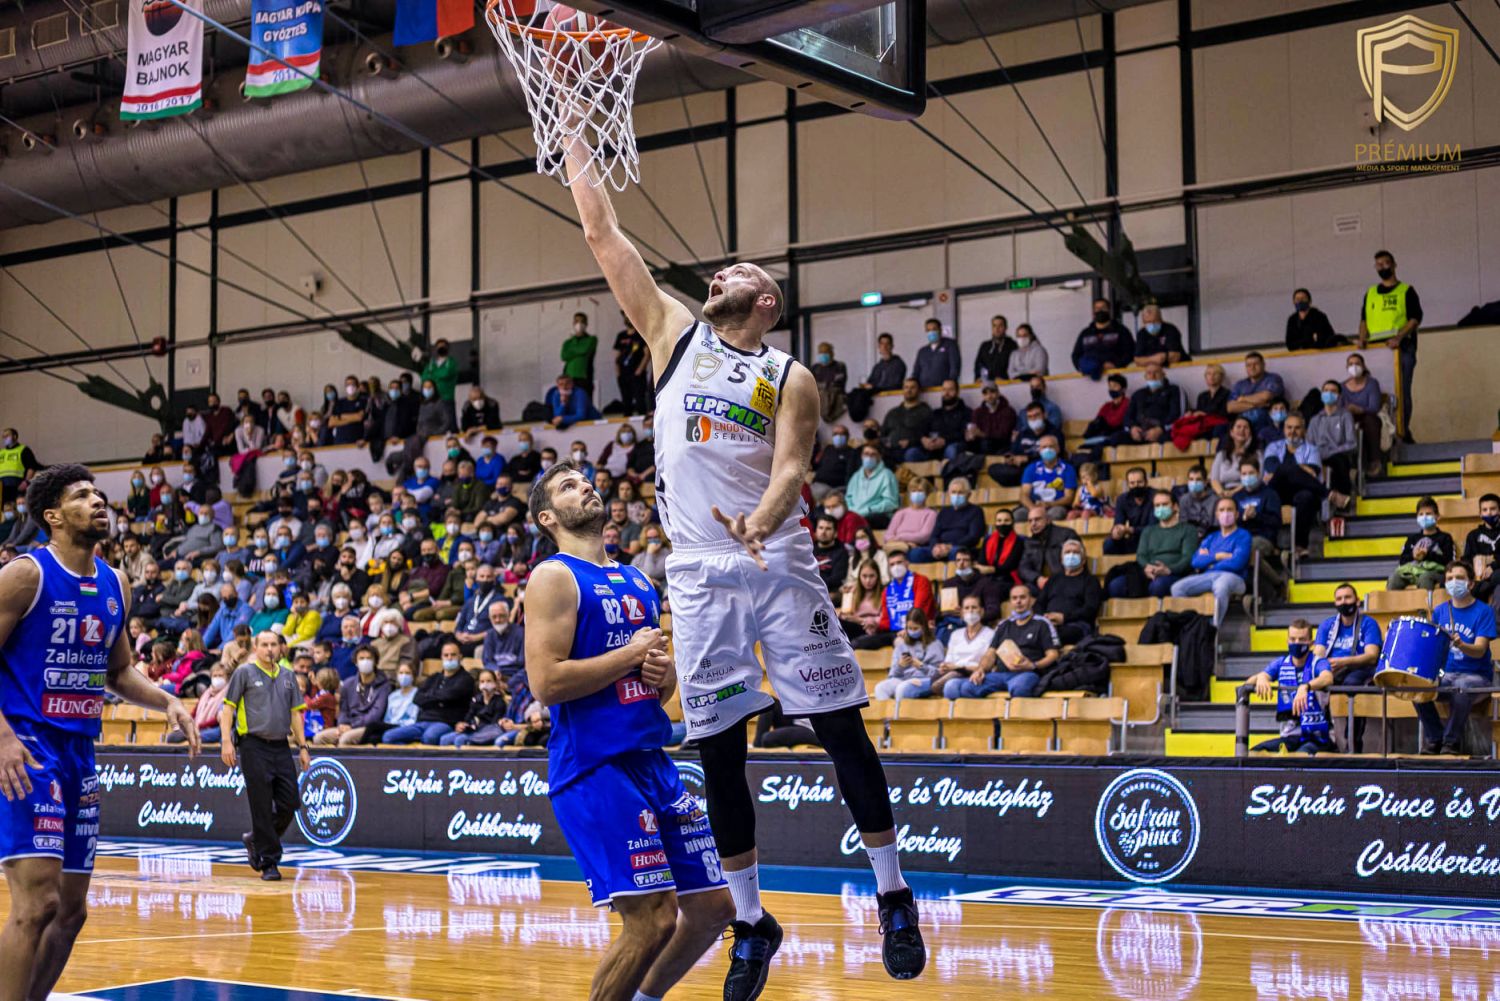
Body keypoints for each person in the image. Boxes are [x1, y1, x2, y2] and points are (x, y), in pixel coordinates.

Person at [567, 139, 925, 993]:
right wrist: (573, 128)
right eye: (720, 269)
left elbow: (791, 468)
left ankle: (893, 893)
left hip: (779, 561)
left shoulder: (788, 375)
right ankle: (753, 920)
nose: (720, 271)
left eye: (740, 270)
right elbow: (603, 234)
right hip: (698, 572)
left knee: (840, 730)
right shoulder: (673, 335)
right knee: (720, 752)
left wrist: (762, 520)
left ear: (766, 300)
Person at [521, 460, 736, 1001]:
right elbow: (546, 683)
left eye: (585, 480)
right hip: (595, 765)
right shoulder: (553, 576)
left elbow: (651, 684)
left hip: (652, 759)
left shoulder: (638, 578)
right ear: (548, 517)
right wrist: (631, 655)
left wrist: (663, 675)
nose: (585, 486)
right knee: (652, 918)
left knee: (714, 908)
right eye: (568, 486)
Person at [0, 465, 199, 1000]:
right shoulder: (25, 576)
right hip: (27, 746)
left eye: (97, 493)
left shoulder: (116, 583)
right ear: (52, 516)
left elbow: (118, 672)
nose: (98, 501)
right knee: (36, 905)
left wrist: (167, 700)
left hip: (79, 751)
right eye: (82, 495)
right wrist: (2, 738)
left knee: (71, 912)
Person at [219, 631, 308, 881]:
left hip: (281, 746)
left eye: (274, 644)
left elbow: (295, 714)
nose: (270, 649)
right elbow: (228, 709)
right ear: (255, 648)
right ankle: (269, 862)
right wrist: (226, 741)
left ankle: (256, 838)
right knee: (261, 805)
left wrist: (303, 747)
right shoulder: (244, 673)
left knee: (291, 802)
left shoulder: (288, 676)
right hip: (253, 745)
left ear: (280, 648)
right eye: (265, 644)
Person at [1417, 562, 1497, 754]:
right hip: (1446, 675)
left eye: (1460, 578)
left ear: (1471, 584)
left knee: (1461, 687)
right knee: (1417, 686)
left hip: (1477, 677)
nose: (1454, 582)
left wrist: (1461, 645)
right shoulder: (1440, 611)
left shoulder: (1484, 611)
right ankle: (1435, 738)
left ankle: (1451, 742)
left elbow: (1480, 650)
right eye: (1450, 579)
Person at [944, 583, 1058, 699]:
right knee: (968, 687)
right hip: (1000, 675)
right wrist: (980, 669)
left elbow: (1053, 654)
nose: (1018, 601)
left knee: (1019, 687)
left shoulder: (1042, 623)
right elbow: (990, 654)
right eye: (1014, 598)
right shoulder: (1003, 625)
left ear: (1032, 600)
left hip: (1027, 673)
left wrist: (1033, 665)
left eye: (1022, 597)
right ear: (1011, 602)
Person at [1357, 249, 1421, 443]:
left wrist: (1399, 337)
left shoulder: (1406, 290)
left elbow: (1415, 318)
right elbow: (1364, 320)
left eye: (1385, 263)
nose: (1382, 267)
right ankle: (1384, 433)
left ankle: (1403, 431)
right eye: (1378, 264)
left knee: (1401, 391)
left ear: (1394, 265)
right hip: (1376, 351)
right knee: (1377, 391)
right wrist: (1362, 338)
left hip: (1401, 348)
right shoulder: (1370, 293)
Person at [1263, 412, 1347, 555]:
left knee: (1306, 497)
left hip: (1301, 490)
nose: (1292, 432)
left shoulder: (1312, 449)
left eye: (1297, 428)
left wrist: (1292, 470)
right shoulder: (1273, 447)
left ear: (1304, 430)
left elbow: (1312, 472)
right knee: (1284, 470)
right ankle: (1328, 494)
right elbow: (1272, 467)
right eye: (1289, 427)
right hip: (1277, 491)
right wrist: (1299, 468)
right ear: (1284, 429)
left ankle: (1300, 546)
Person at [1246, 620, 1335, 754]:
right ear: (1287, 641)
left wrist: (1305, 687)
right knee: (1254, 753)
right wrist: (1262, 677)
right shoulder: (1282, 662)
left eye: (1302, 639)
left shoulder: (1318, 662)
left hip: (1318, 737)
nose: (1296, 643)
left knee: (1297, 758)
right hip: (1290, 736)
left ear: (1311, 643)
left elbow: (1327, 677)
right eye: (1293, 639)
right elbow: (1248, 682)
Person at [1312, 583, 1382, 752]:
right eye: (1339, 599)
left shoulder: (1368, 623)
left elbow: (1372, 656)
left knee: (1351, 684)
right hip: (1333, 669)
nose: (1343, 602)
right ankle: (1321, 738)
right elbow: (1318, 654)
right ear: (1335, 603)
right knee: (1312, 682)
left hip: (1360, 668)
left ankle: (1353, 743)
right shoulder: (1327, 625)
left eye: (1347, 597)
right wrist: (1323, 668)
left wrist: (1343, 661)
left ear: (1357, 601)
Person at [1170, 497, 1251, 626]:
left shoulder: (1243, 535)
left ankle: (1214, 628)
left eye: (1229, 510)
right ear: (1217, 514)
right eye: (1222, 510)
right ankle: (1191, 626)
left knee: (1220, 585)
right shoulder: (1211, 537)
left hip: (1234, 578)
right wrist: (1218, 556)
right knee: (1177, 588)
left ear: (1237, 514)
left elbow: (1237, 563)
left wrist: (1209, 562)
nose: (1225, 513)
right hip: (1208, 577)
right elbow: (1196, 562)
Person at [1109, 490, 1199, 599]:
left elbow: (1188, 558)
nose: (1161, 508)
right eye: (1157, 505)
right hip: (1148, 573)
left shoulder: (1188, 530)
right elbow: (1141, 555)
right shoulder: (1148, 531)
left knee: (1158, 586)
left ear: (1175, 507)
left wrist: (1169, 569)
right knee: (1116, 586)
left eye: (1165, 504)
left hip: (1175, 574)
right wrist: (1147, 567)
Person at [313, 653, 391, 747]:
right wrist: (342, 725)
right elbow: (343, 710)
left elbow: (375, 715)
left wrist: (352, 726)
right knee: (319, 738)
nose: (365, 661)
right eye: (362, 658)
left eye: (369, 658)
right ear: (356, 662)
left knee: (345, 739)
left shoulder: (383, 686)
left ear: (375, 662)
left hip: (368, 728)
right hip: (347, 726)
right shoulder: (348, 684)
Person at [1036, 539, 1103, 644]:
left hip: (1076, 625)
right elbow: (1038, 604)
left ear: (1083, 560)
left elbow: (1090, 609)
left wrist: (1064, 618)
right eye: (1067, 552)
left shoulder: (1091, 581)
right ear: (1061, 559)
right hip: (1049, 624)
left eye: (1075, 552)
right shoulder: (1053, 580)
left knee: (1056, 635)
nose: (1071, 555)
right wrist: (1046, 619)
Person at [930, 596, 996, 697]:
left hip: (974, 674)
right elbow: (949, 661)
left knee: (950, 686)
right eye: (966, 608)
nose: (970, 611)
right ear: (961, 612)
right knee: (910, 688)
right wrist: (944, 666)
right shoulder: (956, 634)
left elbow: (988, 666)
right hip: (952, 672)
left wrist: (960, 667)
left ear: (982, 611)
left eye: (974, 607)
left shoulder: (990, 634)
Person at [872, 609, 943, 702]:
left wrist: (921, 666)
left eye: (916, 628)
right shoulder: (901, 645)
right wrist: (900, 666)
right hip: (903, 678)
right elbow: (892, 675)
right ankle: (888, 712)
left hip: (925, 680)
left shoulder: (935, 644)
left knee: (902, 688)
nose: (912, 631)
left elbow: (939, 674)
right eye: (910, 628)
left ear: (924, 627)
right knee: (880, 688)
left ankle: (898, 712)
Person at [907, 478, 983, 564]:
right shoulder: (944, 512)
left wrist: (950, 546)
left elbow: (973, 536)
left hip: (960, 547)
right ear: (949, 494)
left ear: (969, 495)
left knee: (957, 554)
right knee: (915, 554)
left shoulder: (976, 511)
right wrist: (936, 546)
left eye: (960, 492)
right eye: (953, 492)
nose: (956, 495)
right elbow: (934, 535)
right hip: (940, 548)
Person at [1388, 497, 1454, 591]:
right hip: (1412, 571)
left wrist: (1427, 555)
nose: (1424, 517)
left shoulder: (1445, 537)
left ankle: (1426, 601)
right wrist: (1413, 555)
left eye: (1428, 514)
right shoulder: (1412, 538)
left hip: (1435, 573)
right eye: (1421, 514)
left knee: (1425, 578)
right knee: (1394, 578)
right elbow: (1402, 561)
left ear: (1437, 516)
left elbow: (1448, 561)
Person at [1341, 352, 1384, 479]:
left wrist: (1359, 409)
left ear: (1363, 366)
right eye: (1351, 364)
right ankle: (1350, 465)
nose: (1354, 367)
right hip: (1348, 418)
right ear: (1346, 367)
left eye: (1357, 364)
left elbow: (1374, 407)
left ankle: (1374, 461)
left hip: (1367, 416)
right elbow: (1338, 407)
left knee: (1371, 422)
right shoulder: (1342, 387)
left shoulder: (1372, 383)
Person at [439, 669, 508, 748]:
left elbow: (494, 724)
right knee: (444, 739)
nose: (485, 684)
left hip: (487, 732)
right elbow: (468, 717)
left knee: (460, 740)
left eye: (489, 681)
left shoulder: (499, 702)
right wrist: (462, 725)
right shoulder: (476, 699)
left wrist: (477, 725)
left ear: (495, 683)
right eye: (482, 681)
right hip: (472, 730)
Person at [1017, 507, 1080, 592]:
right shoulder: (1029, 543)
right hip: (1040, 584)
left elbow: (1075, 562)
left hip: (1065, 581)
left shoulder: (1067, 534)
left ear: (1048, 520)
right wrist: (1038, 579)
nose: (1033, 524)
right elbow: (1023, 568)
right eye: (1030, 521)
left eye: (1037, 519)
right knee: (1022, 592)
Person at [1071, 298, 1134, 379]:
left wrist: (1116, 365)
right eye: (1097, 308)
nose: (1100, 311)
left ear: (1109, 310)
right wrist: (1083, 368)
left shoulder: (1121, 330)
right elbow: (1076, 355)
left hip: (1115, 377)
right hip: (1089, 379)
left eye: (1103, 308)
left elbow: (1130, 352)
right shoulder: (1085, 333)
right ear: (1093, 312)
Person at [168, 662, 229, 744]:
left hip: (212, 728)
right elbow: (195, 711)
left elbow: (218, 718)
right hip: (198, 727)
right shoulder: (207, 693)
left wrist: (199, 726)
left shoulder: (228, 693)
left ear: (227, 678)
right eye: (215, 676)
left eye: (220, 676)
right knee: (172, 737)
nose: (217, 678)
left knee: (193, 738)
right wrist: (190, 722)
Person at [1120, 361, 1181, 443]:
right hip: (1139, 432)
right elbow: (1127, 417)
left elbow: (1177, 415)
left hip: (1162, 431)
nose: (1152, 376)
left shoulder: (1174, 390)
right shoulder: (1138, 394)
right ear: (1145, 376)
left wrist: (1161, 429)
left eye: (1156, 372)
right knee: (1116, 438)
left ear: (1163, 374)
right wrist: (1132, 428)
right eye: (1149, 373)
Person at [1019, 437, 1076, 521]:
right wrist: (1033, 509)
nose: (1047, 449)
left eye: (1051, 446)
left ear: (1058, 449)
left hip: (1056, 506)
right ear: (1039, 450)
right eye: (1044, 447)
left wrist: (1050, 504)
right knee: (1018, 515)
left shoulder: (1068, 469)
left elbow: (1068, 498)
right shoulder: (1031, 468)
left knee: (1055, 514)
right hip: (1034, 506)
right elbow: (1024, 495)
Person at [1226, 352, 1285, 433]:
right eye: (1248, 365)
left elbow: (1266, 397)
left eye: (1256, 364)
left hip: (1266, 422)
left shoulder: (1273, 378)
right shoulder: (1240, 384)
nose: (1252, 367)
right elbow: (1230, 407)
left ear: (1263, 365)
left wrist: (1242, 399)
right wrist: (1257, 404)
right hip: (1243, 425)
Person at [845, 445, 898, 529]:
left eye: (873, 454)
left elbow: (891, 503)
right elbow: (848, 498)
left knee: (862, 521)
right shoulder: (856, 476)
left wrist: (869, 510)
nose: (869, 457)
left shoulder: (887, 475)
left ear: (879, 457)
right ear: (861, 456)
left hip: (877, 515)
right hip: (855, 513)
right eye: (866, 454)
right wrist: (852, 510)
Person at [881, 379, 934, 464]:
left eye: (912, 387)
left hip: (914, 449)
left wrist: (911, 442)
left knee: (911, 454)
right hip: (892, 449)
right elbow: (883, 434)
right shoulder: (893, 412)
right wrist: (887, 444)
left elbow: (929, 436)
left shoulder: (925, 411)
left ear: (919, 390)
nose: (909, 390)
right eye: (906, 387)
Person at [1104, 467, 1154, 556]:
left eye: (1139, 482)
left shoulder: (1155, 497)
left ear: (1146, 482)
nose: (1136, 486)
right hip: (1134, 540)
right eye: (1132, 483)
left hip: (1152, 539)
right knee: (1109, 544)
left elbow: (1152, 528)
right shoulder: (1122, 499)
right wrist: (1117, 531)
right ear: (1128, 485)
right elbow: (1118, 523)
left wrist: (1129, 529)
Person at [919, 380, 969, 461]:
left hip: (952, 446)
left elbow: (964, 434)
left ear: (957, 392)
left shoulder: (966, 412)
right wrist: (924, 439)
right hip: (932, 449)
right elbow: (923, 430)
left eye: (950, 389)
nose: (946, 393)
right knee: (912, 453)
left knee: (951, 450)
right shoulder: (935, 413)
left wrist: (945, 441)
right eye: (944, 389)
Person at [1464, 494, 1500, 606]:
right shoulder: (1473, 535)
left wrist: (1493, 566)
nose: (1489, 513)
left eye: (1493, 509)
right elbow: (1467, 559)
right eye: (1485, 510)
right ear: (1480, 513)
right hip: (1479, 577)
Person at [1209, 417, 1259, 497]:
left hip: (1246, 492)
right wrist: (1222, 493)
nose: (1242, 430)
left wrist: (1233, 492)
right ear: (1231, 432)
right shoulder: (1222, 454)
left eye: (1246, 427)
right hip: (1223, 493)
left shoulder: (1257, 454)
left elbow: (1258, 478)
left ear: (1250, 433)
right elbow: (1214, 480)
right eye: (1238, 427)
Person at [614, 313, 652, 415]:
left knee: (640, 402)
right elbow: (616, 356)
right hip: (623, 374)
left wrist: (639, 370)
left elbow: (647, 354)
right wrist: (618, 373)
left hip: (637, 374)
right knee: (626, 403)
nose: (628, 319)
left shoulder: (641, 334)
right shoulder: (621, 336)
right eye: (626, 317)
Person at [884, 480, 935, 552]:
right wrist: (904, 543)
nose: (917, 494)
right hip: (897, 546)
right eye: (913, 491)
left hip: (916, 547)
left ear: (926, 494)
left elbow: (924, 536)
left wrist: (900, 537)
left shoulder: (931, 514)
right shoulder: (900, 513)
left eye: (920, 491)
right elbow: (888, 535)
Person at [967, 384, 1016, 455]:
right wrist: (970, 435)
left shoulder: (1008, 411)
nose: (989, 396)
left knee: (986, 443)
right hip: (982, 444)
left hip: (1001, 445)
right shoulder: (977, 412)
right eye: (985, 393)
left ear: (998, 393)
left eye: (992, 392)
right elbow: (974, 430)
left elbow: (1003, 434)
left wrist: (983, 434)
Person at [912, 317, 960, 388]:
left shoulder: (950, 345)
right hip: (924, 389)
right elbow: (916, 371)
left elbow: (954, 366)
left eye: (934, 329)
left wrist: (951, 382)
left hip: (943, 389)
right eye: (928, 330)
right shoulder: (922, 351)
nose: (931, 332)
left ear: (940, 330)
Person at [0, 429, 43, 506]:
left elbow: (32, 467)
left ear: (14, 436)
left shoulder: (23, 449)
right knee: (5, 507)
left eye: (7, 435)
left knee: (18, 506)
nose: (5, 438)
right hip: (2, 486)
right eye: (3, 436)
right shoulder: (1, 452)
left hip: (18, 484)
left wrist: (26, 482)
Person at [811, 516, 849, 596]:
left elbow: (836, 579)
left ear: (835, 533)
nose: (823, 532)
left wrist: (812, 583)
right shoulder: (809, 550)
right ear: (816, 531)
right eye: (821, 528)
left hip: (828, 593)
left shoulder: (841, 553)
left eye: (828, 529)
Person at [560, 313, 598, 394]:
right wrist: (575, 342)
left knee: (584, 400)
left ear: (586, 324)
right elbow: (564, 356)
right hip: (568, 378)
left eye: (582, 321)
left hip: (584, 378)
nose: (579, 324)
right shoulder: (568, 342)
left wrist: (572, 350)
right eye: (577, 321)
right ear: (573, 323)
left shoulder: (592, 339)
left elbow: (584, 349)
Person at [811, 342, 848, 422]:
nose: (823, 355)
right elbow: (811, 385)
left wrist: (822, 385)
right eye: (821, 352)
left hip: (836, 401)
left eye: (825, 352)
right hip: (819, 402)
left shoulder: (839, 366)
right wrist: (825, 385)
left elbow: (838, 384)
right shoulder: (815, 368)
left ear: (831, 353)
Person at [974, 315, 1016, 383]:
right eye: (994, 326)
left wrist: (1005, 379)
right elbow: (978, 365)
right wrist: (979, 377)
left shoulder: (1012, 346)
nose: (997, 329)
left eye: (1000, 326)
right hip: (986, 384)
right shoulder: (985, 346)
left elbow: (1015, 368)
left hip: (1006, 384)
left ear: (1006, 328)